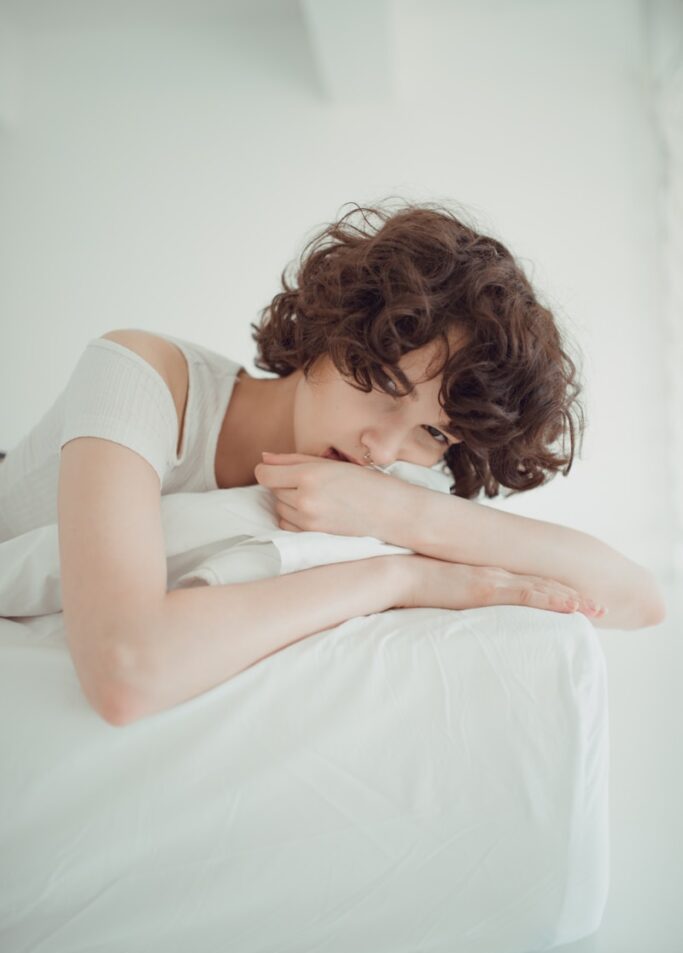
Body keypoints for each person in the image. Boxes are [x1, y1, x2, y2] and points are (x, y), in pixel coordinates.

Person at [0, 200, 662, 725]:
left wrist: (402, 509)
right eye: (383, 387)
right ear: (334, 331)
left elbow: (636, 600)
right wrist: (396, 579)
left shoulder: (383, 479)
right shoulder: (144, 374)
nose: (380, 447)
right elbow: (125, 674)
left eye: (432, 431)